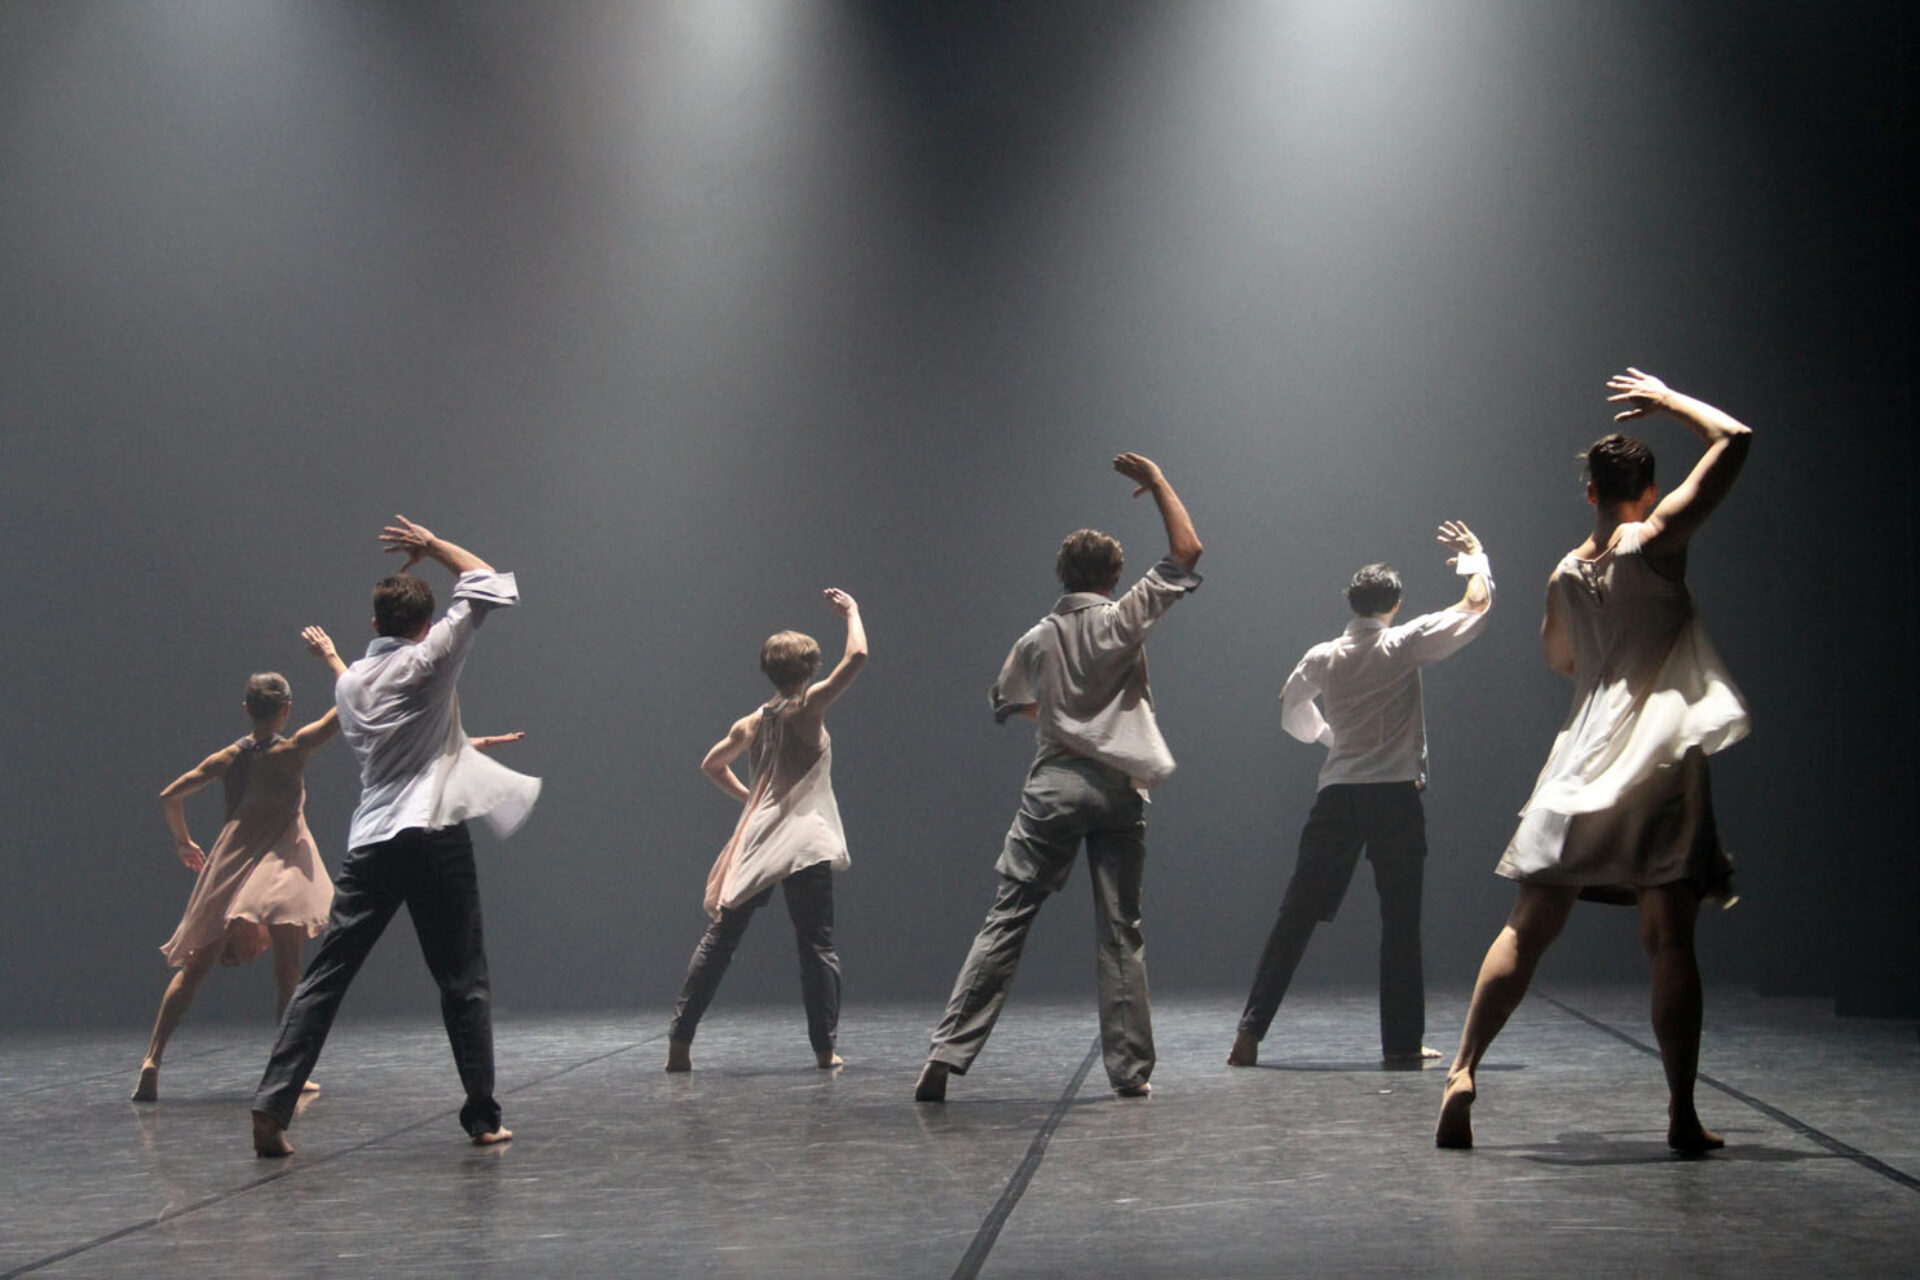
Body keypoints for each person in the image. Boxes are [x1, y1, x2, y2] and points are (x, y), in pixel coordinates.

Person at [1435, 369, 1752, 1153]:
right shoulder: (1657, 538)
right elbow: (1735, 439)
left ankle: (1463, 1071)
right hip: (1656, 757)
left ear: (1589, 494)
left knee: (1528, 926)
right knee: (1668, 939)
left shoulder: (1566, 573)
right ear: (1648, 491)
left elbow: (1560, 659)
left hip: (1580, 759)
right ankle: (1681, 1114)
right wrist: (1669, 400)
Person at [915, 453, 1204, 1103]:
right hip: (1118, 788)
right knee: (1121, 929)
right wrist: (1158, 483)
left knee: (1008, 917)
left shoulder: (1037, 638)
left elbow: (1004, 700)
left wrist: (1058, 714)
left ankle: (946, 1054)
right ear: (1114, 577)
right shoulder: (1122, 618)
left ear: (1062, 575)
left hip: (1054, 786)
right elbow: (1187, 550)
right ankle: (1130, 1072)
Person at [250, 516, 540, 1157]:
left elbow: (352, 672)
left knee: (326, 977)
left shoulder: (350, 684)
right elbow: (487, 581)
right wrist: (431, 547)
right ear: (426, 625)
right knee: (463, 980)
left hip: (373, 841)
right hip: (434, 833)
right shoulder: (432, 657)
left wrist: (335, 654)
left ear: (375, 622)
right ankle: (482, 1118)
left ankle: (272, 1103)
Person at [1228, 523, 1493, 1070]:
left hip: (1340, 796)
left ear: (1351, 603)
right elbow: (1474, 606)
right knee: (1400, 921)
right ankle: (1401, 1043)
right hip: (1394, 797)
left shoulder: (1323, 656)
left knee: (1297, 913)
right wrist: (1475, 555)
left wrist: (1330, 738)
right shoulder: (1404, 642)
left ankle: (1249, 1032)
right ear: (1394, 604)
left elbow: (1289, 706)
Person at [132, 630, 345, 1102]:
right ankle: (286, 1068)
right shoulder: (293, 749)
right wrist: (332, 658)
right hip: (281, 867)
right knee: (288, 969)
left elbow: (170, 795)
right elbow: (351, 703)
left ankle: (152, 1059)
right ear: (286, 709)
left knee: (194, 969)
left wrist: (184, 842)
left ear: (246, 708)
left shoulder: (228, 758)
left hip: (231, 864)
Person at [664, 589, 868, 1073]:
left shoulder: (751, 723)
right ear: (809, 669)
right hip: (803, 839)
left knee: (722, 938)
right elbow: (857, 656)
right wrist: (852, 612)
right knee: (815, 945)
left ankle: (679, 1044)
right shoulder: (807, 706)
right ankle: (824, 1050)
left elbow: (712, 765)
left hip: (760, 835)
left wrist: (753, 800)